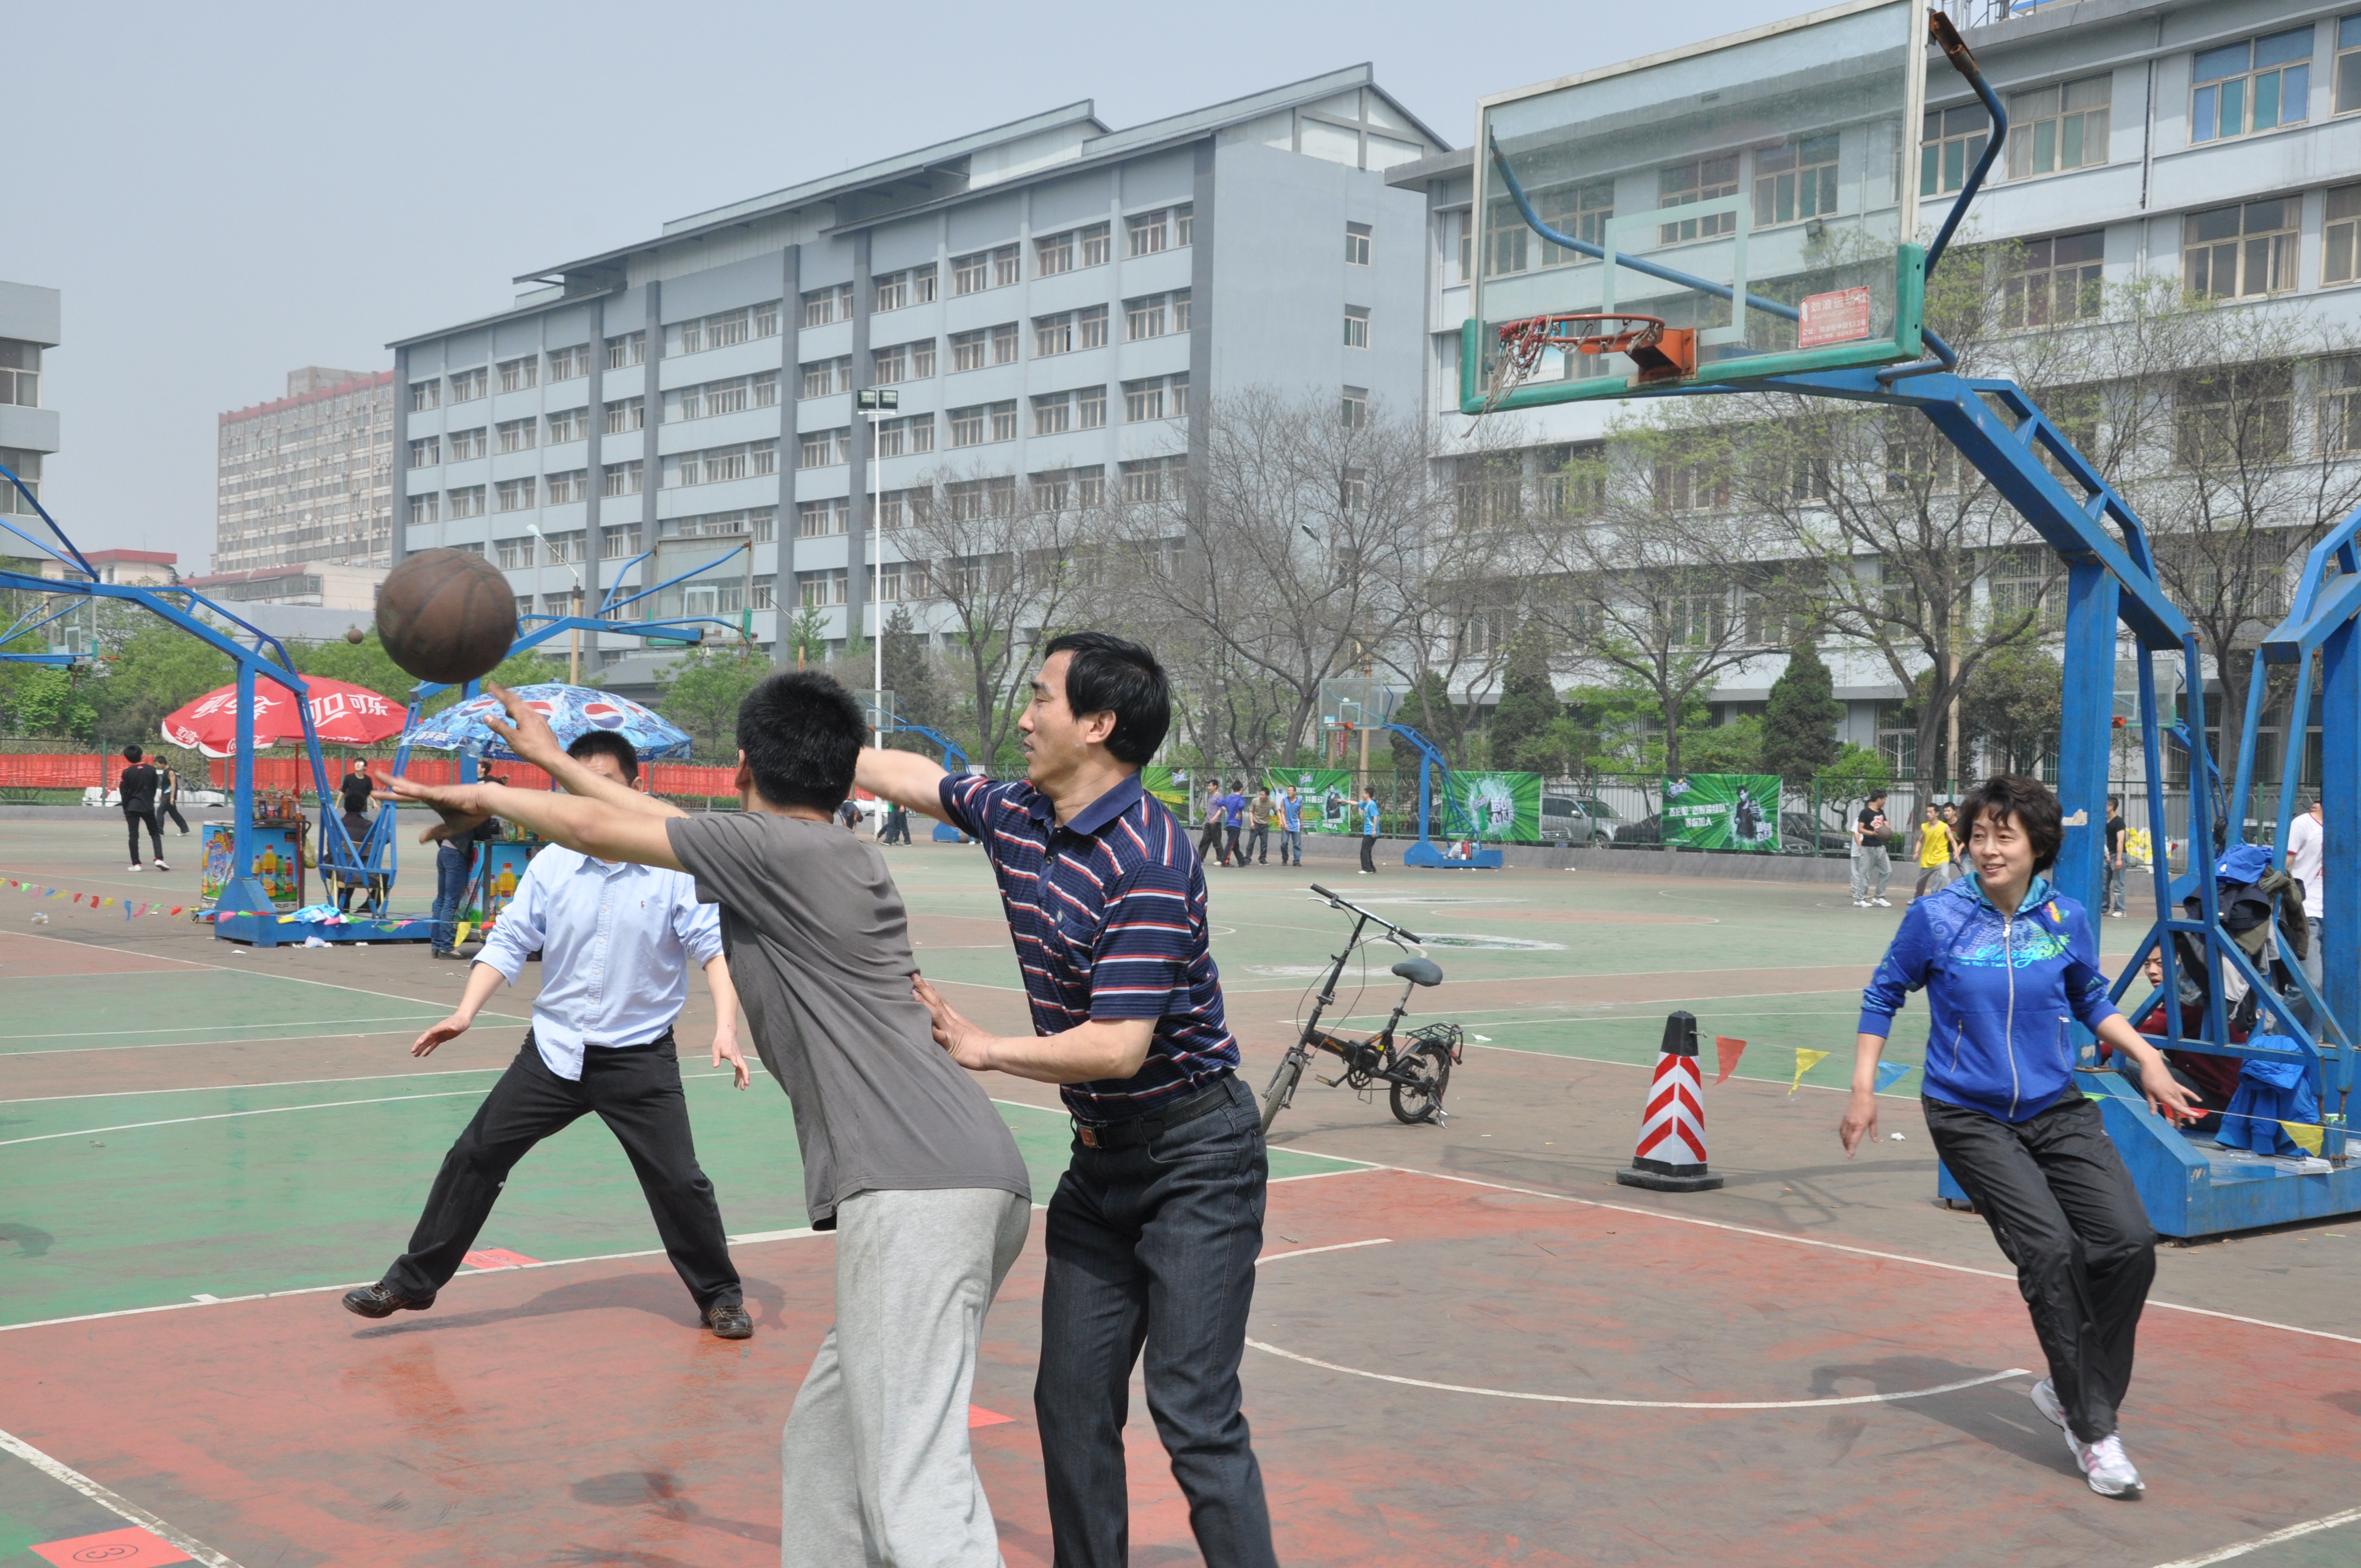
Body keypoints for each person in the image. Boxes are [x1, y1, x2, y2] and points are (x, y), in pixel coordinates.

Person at [384, 677, 1033, 1566]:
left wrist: (484, 790)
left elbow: (601, 829)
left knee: (915, 1482)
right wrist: (543, 762)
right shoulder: (822, 847)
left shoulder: (774, 851)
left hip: (916, 1185)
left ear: (739, 769)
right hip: (954, 1170)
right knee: (824, 1441)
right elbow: (634, 819)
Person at [857, 631, 1279, 1568]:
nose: (1023, 713)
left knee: (1193, 1410)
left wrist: (985, 1048)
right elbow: (921, 779)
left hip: (1194, 1157)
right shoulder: (1017, 811)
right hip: (1101, 1164)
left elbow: (1119, 1046)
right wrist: (819, 747)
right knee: (1070, 1402)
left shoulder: (1150, 854)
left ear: (1096, 723)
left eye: (1040, 696)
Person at [1843, 773, 2199, 1498]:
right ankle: (2094, 1431)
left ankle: (2077, 1390)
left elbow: (2090, 998)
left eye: (2004, 836)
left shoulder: (2065, 917)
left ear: (2039, 846)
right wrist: (1861, 1088)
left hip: (2054, 1104)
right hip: (1968, 1114)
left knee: (2128, 1243)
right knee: (2049, 1251)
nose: (1986, 848)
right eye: (1978, 835)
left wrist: (2150, 1058)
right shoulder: (1938, 918)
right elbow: (1884, 992)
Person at [348, 728, 756, 1340]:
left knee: (679, 1182)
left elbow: (712, 950)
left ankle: (720, 1296)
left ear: (635, 789)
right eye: (578, 784)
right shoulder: (554, 864)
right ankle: (412, 1281)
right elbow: (510, 939)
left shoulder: (673, 869)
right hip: (552, 1053)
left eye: (607, 784)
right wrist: (465, 1011)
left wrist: (727, 1025)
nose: (591, 797)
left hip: (639, 1057)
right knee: (474, 1155)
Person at [430, 811, 501, 960]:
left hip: (444, 850)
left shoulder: (463, 810)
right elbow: (484, 835)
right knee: (450, 901)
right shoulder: (480, 814)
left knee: (442, 899)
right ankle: (447, 947)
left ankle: (437, 945)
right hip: (456, 855)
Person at [2284, 796, 2324, 1023]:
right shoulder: (2303, 824)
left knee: (2331, 988)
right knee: (2310, 983)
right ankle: (2277, 1035)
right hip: (2306, 911)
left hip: (2338, 916)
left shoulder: (2348, 825)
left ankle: (2318, 1043)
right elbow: (2284, 864)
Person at [118, 744, 167, 873]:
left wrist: (125, 809)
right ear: (141, 755)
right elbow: (154, 786)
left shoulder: (127, 772)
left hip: (132, 807)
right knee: (155, 833)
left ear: (128, 759)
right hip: (147, 806)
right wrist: (149, 801)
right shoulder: (151, 770)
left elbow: (124, 793)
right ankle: (159, 859)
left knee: (134, 836)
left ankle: (136, 864)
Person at [1852, 788, 1891, 908]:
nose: (1885, 802)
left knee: (1887, 871)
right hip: (1868, 848)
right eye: (1884, 799)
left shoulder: (1881, 812)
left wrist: (1887, 831)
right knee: (1865, 874)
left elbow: (1886, 824)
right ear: (1879, 799)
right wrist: (1873, 833)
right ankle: (1860, 899)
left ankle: (1879, 897)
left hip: (1880, 848)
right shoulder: (1865, 812)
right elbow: (1860, 829)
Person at [1910, 803, 1952, 900]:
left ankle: (1950, 898)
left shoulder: (1944, 827)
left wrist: (1957, 852)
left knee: (1945, 876)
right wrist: (1916, 852)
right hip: (1927, 859)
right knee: (1920, 881)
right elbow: (1920, 840)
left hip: (1941, 858)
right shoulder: (1925, 827)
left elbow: (1953, 841)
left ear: (1937, 813)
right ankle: (1917, 898)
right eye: (1927, 812)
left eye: (1930, 812)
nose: (1928, 814)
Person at [2103, 795, 2128, 918]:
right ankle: (2104, 908)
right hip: (2108, 856)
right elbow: (2105, 839)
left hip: (2118, 856)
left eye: (2106, 805)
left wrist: (2118, 859)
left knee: (2118, 885)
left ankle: (2120, 909)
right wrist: (2106, 854)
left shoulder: (2119, 822)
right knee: (2104, 884)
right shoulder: (2105, 821)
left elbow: (2120, 841)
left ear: (2111, 807)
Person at [156, 760, 191, 836]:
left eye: (158, 764)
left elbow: (173, 785)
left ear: (162, 763)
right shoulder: (165, 772)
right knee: (174, 813)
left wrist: (172, 797)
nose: (157, 766)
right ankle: (185, 829)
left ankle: (159, 831)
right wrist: (162, 795)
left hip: (169, 796)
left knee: (160, 812)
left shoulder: (170, 772)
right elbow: (165, 786)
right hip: (166, 795)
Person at [1197, 782, 1226, 865]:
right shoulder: (1211, 796)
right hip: (1208, 822)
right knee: (1205, 840)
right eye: (1208, 786)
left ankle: (1220, 859)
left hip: (1216, 822)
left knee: (1216, 841)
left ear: (1215, 786)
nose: (1209, 788)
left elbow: (1221, 809)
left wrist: (1215, 818)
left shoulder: (1219, 796)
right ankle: (1200, 858)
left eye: (1210, 786)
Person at [1220, 783, 1248, 868]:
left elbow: (1219, 803)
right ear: (1241, 789)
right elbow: (1241, 806)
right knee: (1231, 843)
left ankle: (1241, 861)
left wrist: (1227, 809)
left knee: (1235, 844)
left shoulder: (1228, 798)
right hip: (1235, 824)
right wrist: (1239, 812)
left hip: (1229, 824)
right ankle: (1225, 861)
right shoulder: (1240, 798)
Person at [1246, 787, 1272, 866]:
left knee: (1264, 843)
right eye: (1260, 794)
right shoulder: (1255, 801)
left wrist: (1282, 821)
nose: (1261, 796)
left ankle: (1262, 859)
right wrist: (1252, 822)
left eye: (1263, 795)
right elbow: (1251, 811)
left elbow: (1277, 811)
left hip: (1265, 825)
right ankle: (1247, 858)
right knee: (1251, 842)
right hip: (1256, 823)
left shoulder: (1271, 803)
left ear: (1267, 796)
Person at [1358, 786, 1381, 875]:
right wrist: (1343, 801)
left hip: (1371, 832)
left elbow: (1376, 816)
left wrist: (1374, 830)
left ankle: (1367, 869)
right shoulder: (1366, 804)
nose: (1362, 795)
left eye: (1364, 793)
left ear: (1367, 795)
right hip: (1367, 832)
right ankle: (1371, 868)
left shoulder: (1372, 804)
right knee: (1367, 850)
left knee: (1364, 850)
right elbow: (1355, 803)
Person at [1280, 786, 1304, 867]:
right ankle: (1285, 858)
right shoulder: (1284, 801)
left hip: (1296, 825)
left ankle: (1296, 860)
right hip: (1286, 825)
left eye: (1291, 791)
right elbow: (1282, 813)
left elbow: (1301, 813)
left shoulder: (1300, 801)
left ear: (1295, 792)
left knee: (1297, 844)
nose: (1289, 792)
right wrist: (1284, 823)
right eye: (1288, 791)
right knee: (1284, 843)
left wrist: (1302, 823)